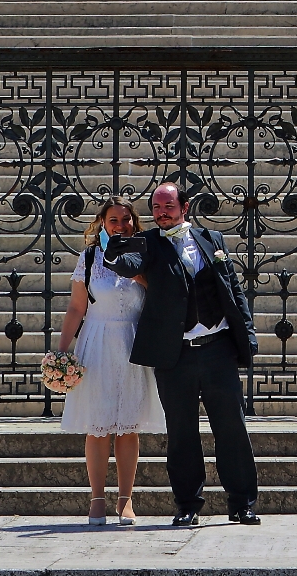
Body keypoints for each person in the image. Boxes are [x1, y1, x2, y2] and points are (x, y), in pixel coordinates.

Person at [106, 181, 260, 526]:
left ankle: (242, 503)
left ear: (184, 207)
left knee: (232, 428)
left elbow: (233, 289)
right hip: (176, 355)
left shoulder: (212, 239)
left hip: (218, 348)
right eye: (156, 208)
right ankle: (187, 505)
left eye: (168, 206)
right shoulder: (148, 242)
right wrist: (114, 250)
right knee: (181, 432)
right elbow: (128, 265)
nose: (162, 213)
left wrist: (247, 335)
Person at [54, 198, 165, 527]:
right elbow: (77, 307)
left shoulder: (145, 254)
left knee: (128, 426)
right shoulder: (90, 257)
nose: (120, 225)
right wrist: (61, 351)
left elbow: (162, 297)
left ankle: (126, 499)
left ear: (134, 222)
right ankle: (97, 499)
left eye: (125, 219)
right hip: (97, 342)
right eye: (113, 219)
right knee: (98, 426)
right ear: (102, 222)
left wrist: (141, 275)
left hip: (133, 342)